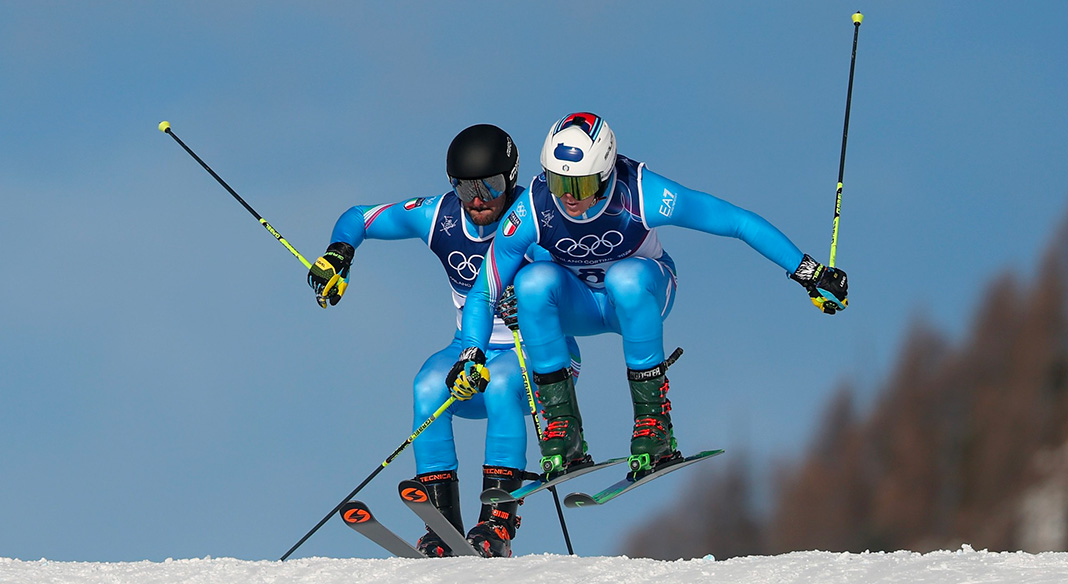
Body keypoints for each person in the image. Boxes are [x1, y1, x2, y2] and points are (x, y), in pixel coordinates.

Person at [448, 112, 848, 477]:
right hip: (582, 304)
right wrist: (471, 353)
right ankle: (562, 429)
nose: (567, 196)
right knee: (532, 283)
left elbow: (735, 221)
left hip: (644, 294)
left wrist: (807, 271)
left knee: (625, 276)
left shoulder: (641, 193)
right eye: (557, 181)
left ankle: (653, 425)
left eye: (580, 184)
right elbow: (484, 289)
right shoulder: (535, 207)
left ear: (605, 173)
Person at [307, 124, 580, 558]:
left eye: (490, 186)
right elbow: (358, 217)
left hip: (541, 356)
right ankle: (442, 527)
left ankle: (497, 523)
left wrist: (537, 300)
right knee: (428, 386)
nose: (477, 199)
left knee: (503, 385)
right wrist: (340, 254)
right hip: (469, 351)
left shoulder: (538, 213)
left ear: (511, 178)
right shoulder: (440, 216)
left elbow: (581, 283)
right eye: (465, 187)